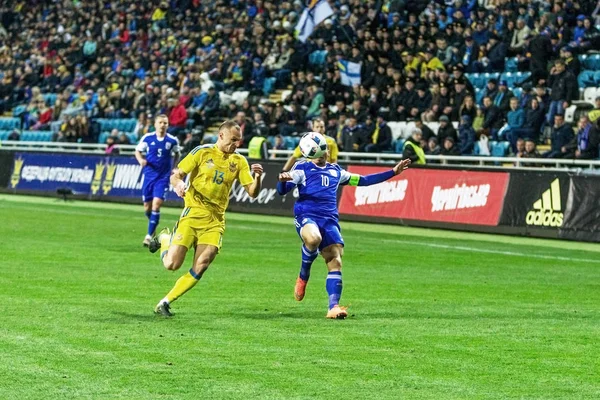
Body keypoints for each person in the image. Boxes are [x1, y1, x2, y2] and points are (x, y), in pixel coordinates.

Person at [276, 144, 411, 319]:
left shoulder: (336, 171)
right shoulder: (302, 167)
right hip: (306, 215)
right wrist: (282, 180)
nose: (325, 152)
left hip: (329, 220)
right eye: (321, 149)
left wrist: (392, 172)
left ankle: (333, 307)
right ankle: (303, 275)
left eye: (325, 148)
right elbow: (281, 191)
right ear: (311, 152)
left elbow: (364, 180)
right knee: (313, 238)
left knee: (335, 261)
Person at [149, 120, 264, 317]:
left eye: (239, 141)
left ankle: (165, 302)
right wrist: (178, 184)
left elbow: (252, 192)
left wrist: (258, 177)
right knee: (172, 265)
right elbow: (176, 175)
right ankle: (165, 238)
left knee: (201, 264)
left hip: (215, 221)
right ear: (221, 136)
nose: (236, 144)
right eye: (233, 140)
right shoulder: (202, 152)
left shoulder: (239, 161)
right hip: (192, 214)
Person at [135, 115, 181, 247]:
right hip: (149, 176)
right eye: (160, 122)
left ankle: (148, 236)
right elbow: (137, 151)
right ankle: (153, 227)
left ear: (168, 125)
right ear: (155, 124)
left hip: (163, 178)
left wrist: (175, 167)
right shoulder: (147, 138)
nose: (162, 125)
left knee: (156, 205)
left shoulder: (172, 140)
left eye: (165, 123)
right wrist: (141, 160)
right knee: (147, 207)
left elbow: (177, 153)